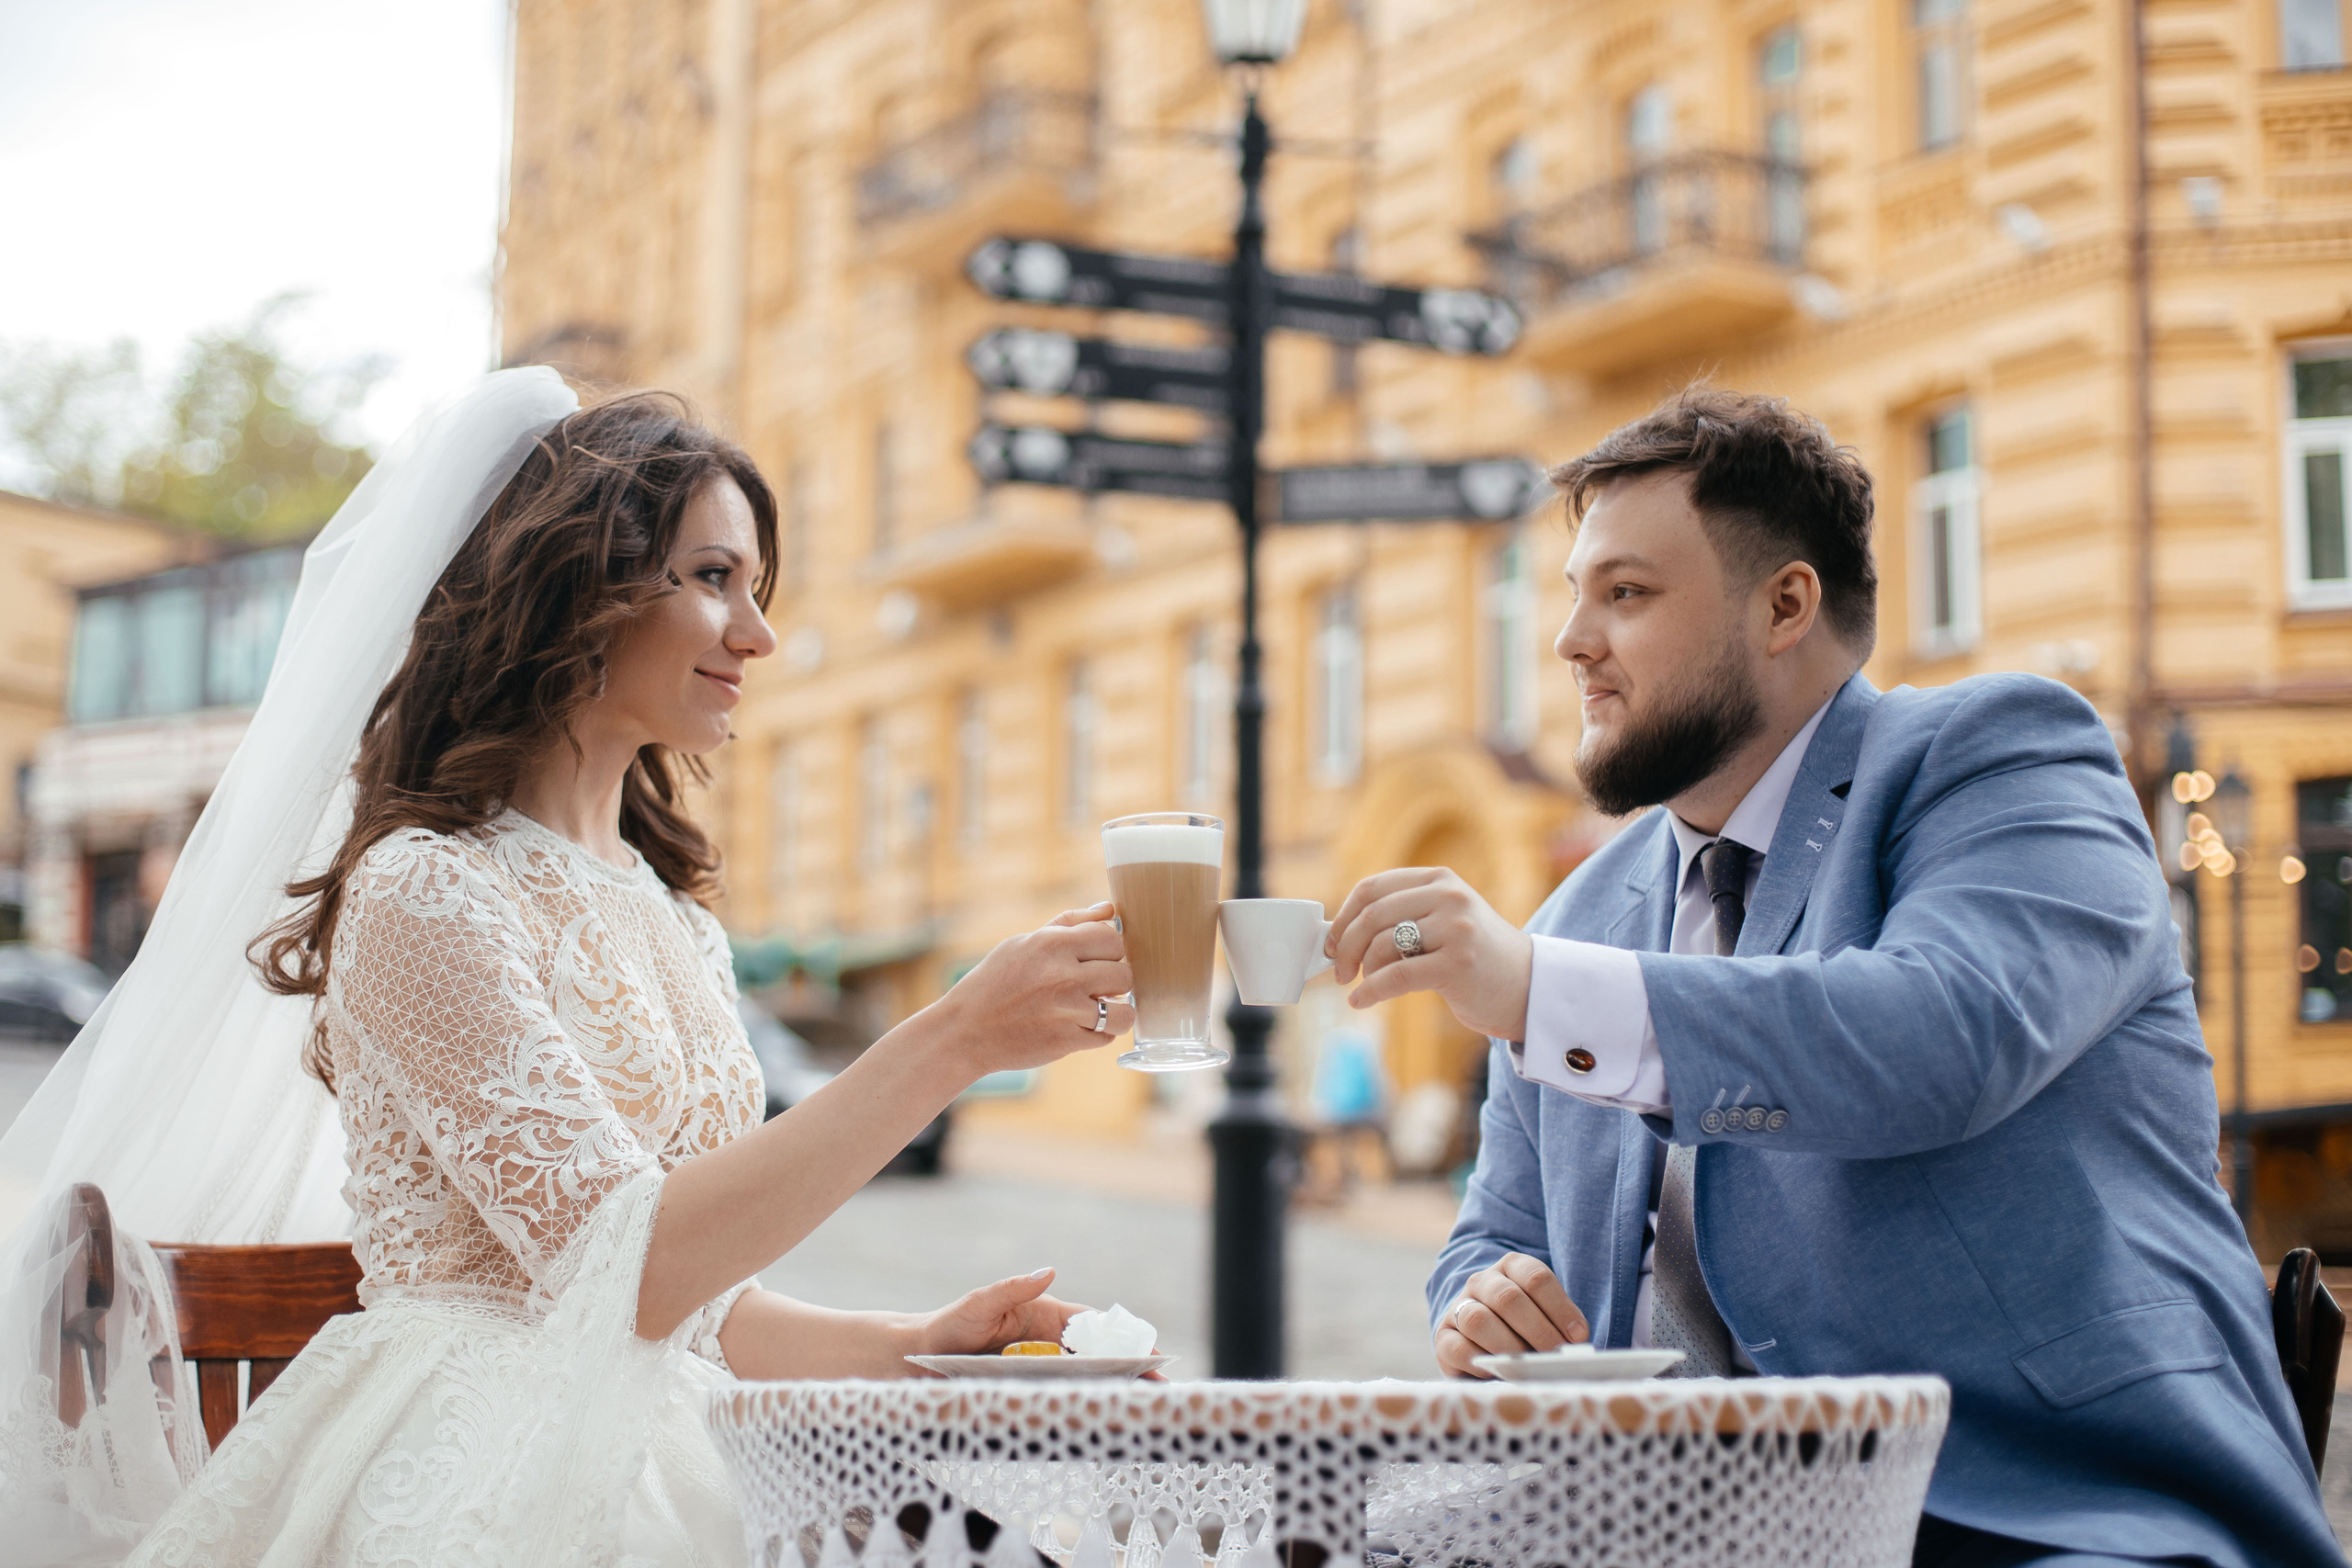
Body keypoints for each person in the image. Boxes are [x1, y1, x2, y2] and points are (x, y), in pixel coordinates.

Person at [0, 372, 1136, 1565]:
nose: (757, 632)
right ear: (576, 593)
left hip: (675, 1429)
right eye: (711, 578)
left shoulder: (670, 912)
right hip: (471, 1465)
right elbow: (623, 1267)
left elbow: (688, 1305)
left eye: (754, 588)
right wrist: (953, 1034)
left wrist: (916, 1339)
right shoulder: (423, 887)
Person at [1324, 388, 2342, 1567]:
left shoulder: (1998, 757)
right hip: (1657, 1520)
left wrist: (1539, 990)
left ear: (1785, 605)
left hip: (2040, 1507)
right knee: (1309, 1538)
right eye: (1572, 598)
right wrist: (1481, 1295)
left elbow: (1941, 1034)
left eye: (1627, 594)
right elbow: (1495, 1228)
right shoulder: (1577, 915)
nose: (1569, 642)